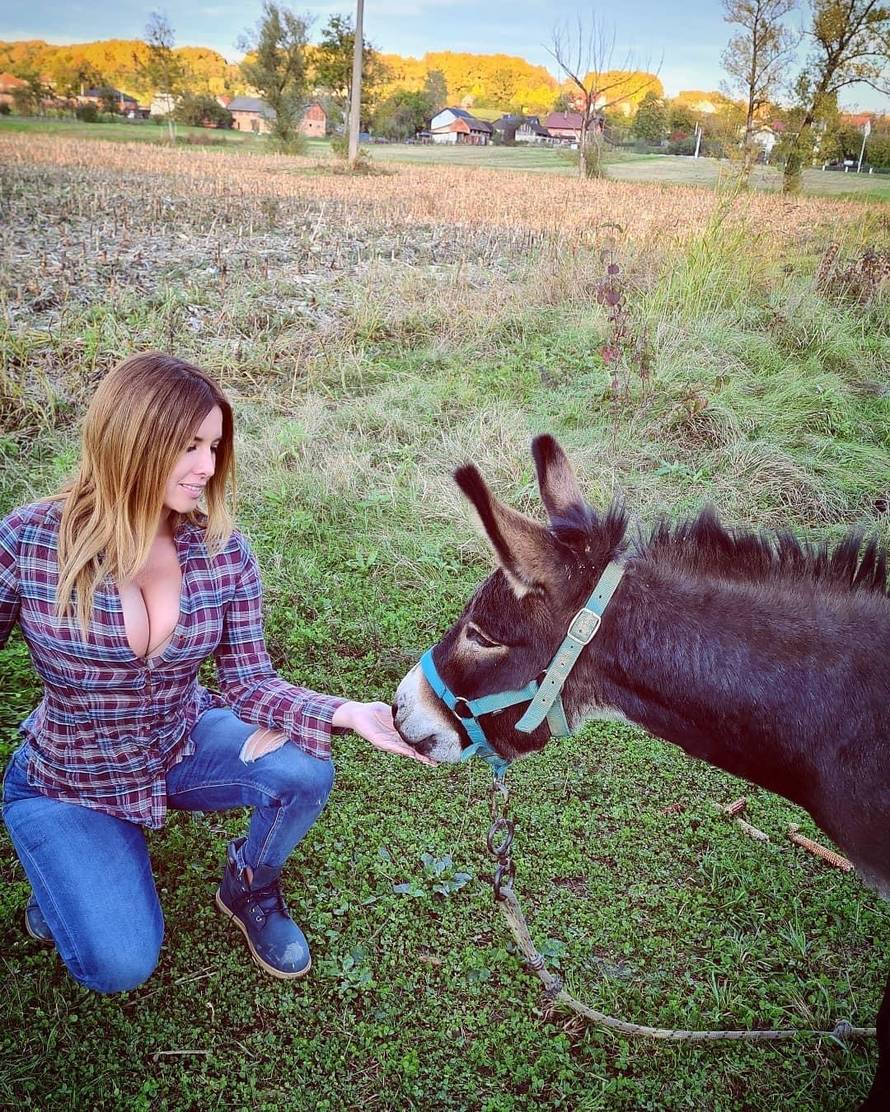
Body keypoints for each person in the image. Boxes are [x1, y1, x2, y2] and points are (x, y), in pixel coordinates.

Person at [0, 352, 433, 992]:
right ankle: (70, 871)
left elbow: (248, 682)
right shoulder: (30, 540)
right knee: (119, 965)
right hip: (71, 777)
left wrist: (344, 713)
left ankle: (249, 887)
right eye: (189, 446)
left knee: (305, 771)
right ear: (132, 438)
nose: (207, 467)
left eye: (213, 446)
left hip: (180, 740)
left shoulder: (220, 550)